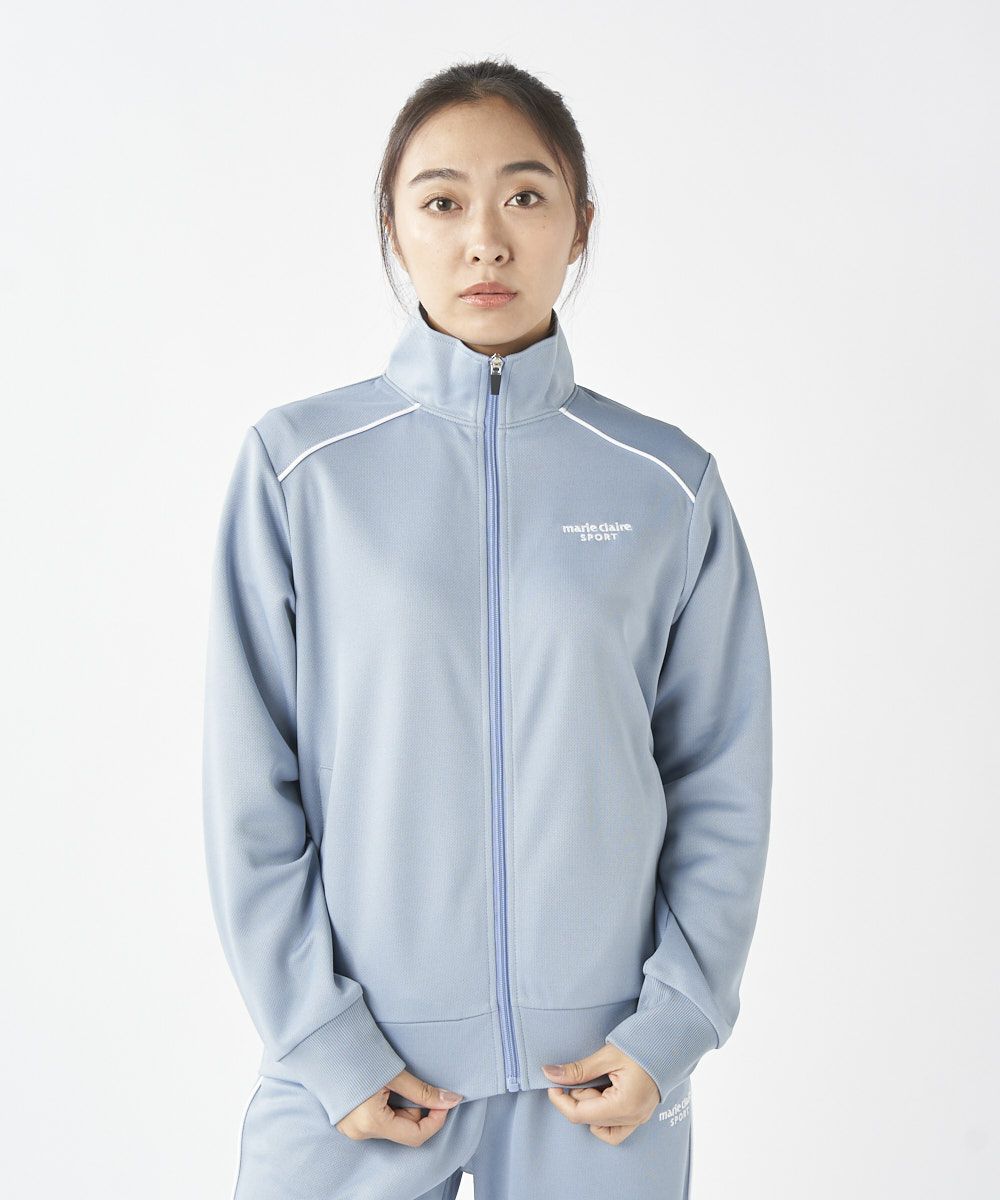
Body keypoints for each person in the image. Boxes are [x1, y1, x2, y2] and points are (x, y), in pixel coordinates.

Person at [202, 58, 772, 1200]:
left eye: (524, 195)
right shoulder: (300, 470)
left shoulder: (666, 483)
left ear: (580, 225)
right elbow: (248, 786)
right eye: (442, 201)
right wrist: (323, 1040)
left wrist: (672, 1026)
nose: (485, 241)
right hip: (354, 1077)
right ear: (392, 229)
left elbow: (721, 777)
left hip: (604, 1080)